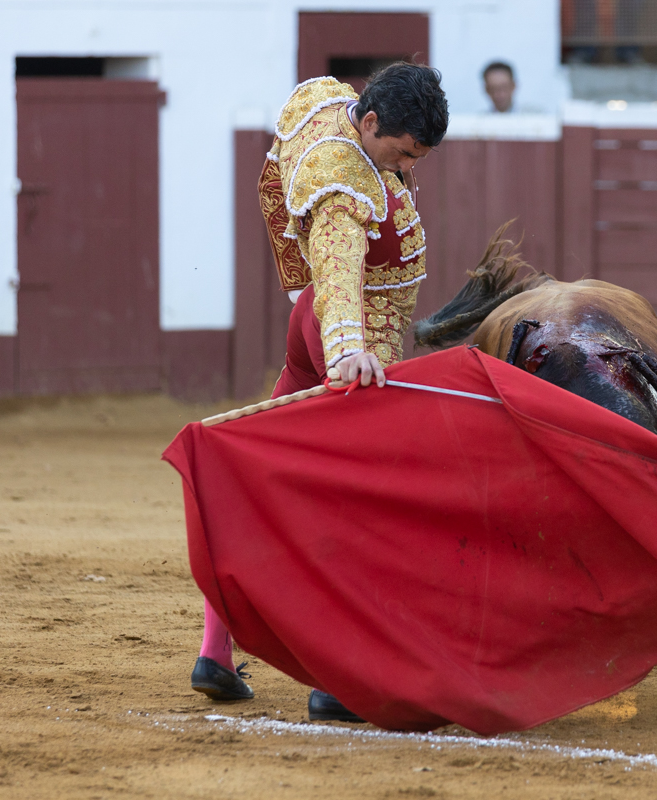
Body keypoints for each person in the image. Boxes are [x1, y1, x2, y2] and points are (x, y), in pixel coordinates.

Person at [190, 63, 448, 719]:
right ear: (370, 122)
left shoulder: (323, 100)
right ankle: (340, 678)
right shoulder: (343, 185)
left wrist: (292, 287)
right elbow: (339, 270)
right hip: (358, 344)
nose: (411, 164)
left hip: (308, 326)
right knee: (363, 511)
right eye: (406, 150)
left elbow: (272, 178)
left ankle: (214, 652)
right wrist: (348, 354)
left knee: (262, 486)